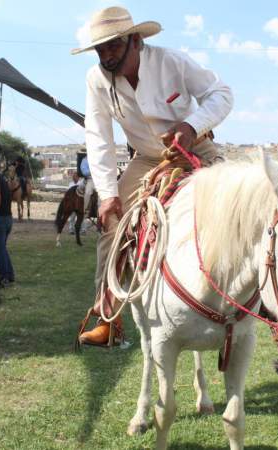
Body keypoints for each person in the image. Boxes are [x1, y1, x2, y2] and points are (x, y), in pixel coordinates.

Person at [72, 6, 233, 346]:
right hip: (146, 158)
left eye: (114, 45)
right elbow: (98, 136)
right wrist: (107, 194)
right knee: (112, 221)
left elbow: (221, 94)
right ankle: (108, 318)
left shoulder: (172, 61)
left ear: (135, 41)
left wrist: (191, 126)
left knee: (236, 210)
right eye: (100, 49)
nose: (107, 55)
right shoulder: (96, 79)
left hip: (196, 149)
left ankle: (256, 304)